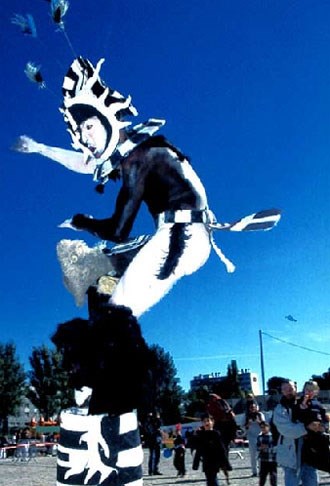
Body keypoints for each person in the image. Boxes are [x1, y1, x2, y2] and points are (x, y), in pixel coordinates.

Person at [13, 56, 280, 318]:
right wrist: (39, 148)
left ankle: (113, 324)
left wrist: (81, 221)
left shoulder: (141, 157)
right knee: (111, 283)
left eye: (89, 128)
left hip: (182, 238)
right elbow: (85, 164)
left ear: (106, 119)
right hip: (184, 237)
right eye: (81, 134)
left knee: (116, 312)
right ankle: (107, 283)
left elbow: (118, 229)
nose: (86, 139)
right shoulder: (140, 149)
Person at [273, 379, 329, 486]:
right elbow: (286, 429)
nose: (289, 391)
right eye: (285, 389)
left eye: (291, 388)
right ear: (282, 391)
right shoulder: (281, 409)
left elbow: (320, 416)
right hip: (292, 453)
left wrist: (322, 425)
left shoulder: (307, 402)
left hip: (310, 453)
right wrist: (306, 427)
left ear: (296, 388)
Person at [192, 413, 232, 486]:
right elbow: (198, 450)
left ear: (212, 422)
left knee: (211, 484)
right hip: (206, 462)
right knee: (214, 482)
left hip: (215, 462)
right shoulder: (200, 435)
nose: (207, 423)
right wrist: (196, 463)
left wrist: (226, 464)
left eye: (208, 421)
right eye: (204, 421)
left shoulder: (216, 434)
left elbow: (222, 450)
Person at [255, 421, 277, 486]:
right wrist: (260, 448)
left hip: (272, 459)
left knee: (273, 474)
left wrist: (267, 447)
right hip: (263, 458)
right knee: (262, 474)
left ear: (268, 427)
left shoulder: (272, 436)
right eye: (261, 427)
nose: (263, 429)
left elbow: (276, 447)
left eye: (264, 427)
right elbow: (257, 446)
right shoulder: (259, 437)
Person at [244, 402, 265, 477]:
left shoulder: (260, 415)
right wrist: (248, 424)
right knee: (253, 455)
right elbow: (245, 427)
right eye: (251, 408)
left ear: (257, 407)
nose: (253, 409)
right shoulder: (247, 416)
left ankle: (261, 471)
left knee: (260, 454)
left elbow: (264, 425)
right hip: (251, 437)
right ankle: (254, 471)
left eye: (254, 407)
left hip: (259, 436)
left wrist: (258, 421)